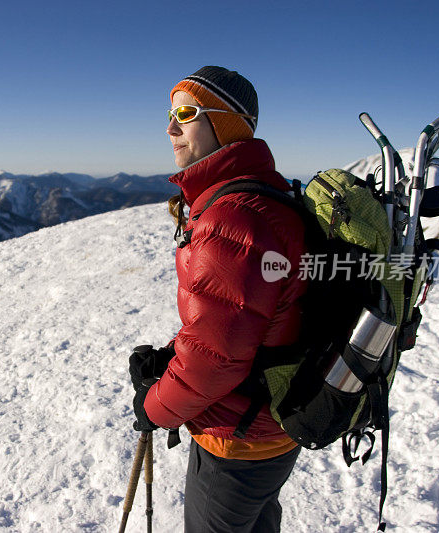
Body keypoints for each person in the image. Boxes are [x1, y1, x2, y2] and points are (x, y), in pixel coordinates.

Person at [129, 66, 309, 532]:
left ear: (225, 124)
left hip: (238, 440)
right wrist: (172, 358)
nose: (170, 127)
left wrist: (153, 407)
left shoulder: (233, 220)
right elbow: (244, 321)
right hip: (271, 427)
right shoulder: (264, 195)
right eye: (170, 114)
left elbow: (216, 363)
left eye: (185, 113)